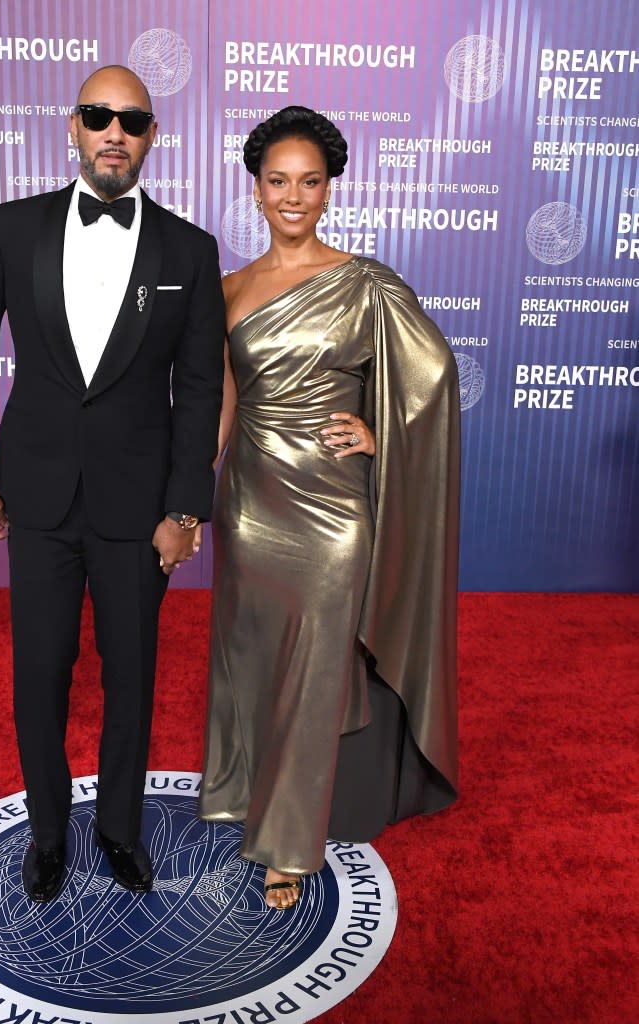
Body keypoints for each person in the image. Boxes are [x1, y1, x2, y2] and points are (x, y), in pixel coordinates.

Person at [0, 65, 225, 902]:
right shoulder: (12, 227)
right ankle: (49, 832)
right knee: (41, 672)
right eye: (99, 116)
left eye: (132, 121)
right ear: (73, 126)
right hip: (34, 496)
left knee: (132, 674)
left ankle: (121, 832)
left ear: (151, 138)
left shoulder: (189, 249)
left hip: (142, 512)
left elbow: (200, 389)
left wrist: (185, 507)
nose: (114, 132)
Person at [198, 107, 459, 909]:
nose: (293, 196)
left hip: (332, 509)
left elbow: (433, 378)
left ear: (329, 190)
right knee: (252, 655)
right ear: (254, 190)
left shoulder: (366, 283)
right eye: (278, 181)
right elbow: (223, 409)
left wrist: (383, 433)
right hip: (250, 506)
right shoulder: (228, 289)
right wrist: (184, 503)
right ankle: (243, 792)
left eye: (309, 182)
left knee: (315, 665)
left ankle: (288, 842)